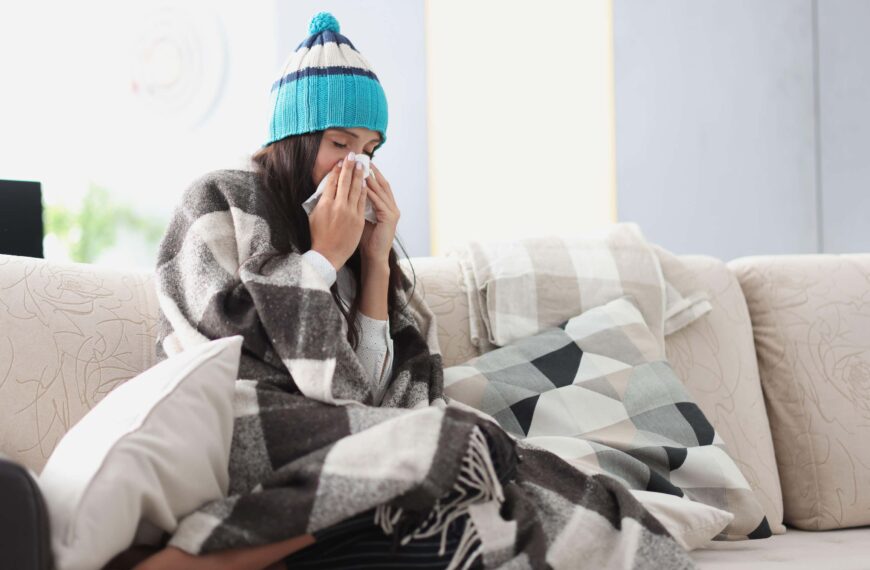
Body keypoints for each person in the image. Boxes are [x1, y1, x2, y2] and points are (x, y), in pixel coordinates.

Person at [129, 10, 479, 570]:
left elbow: (364, 392)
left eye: (371, 149)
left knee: (460, 447)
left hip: (342, 434)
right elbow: (220, 340)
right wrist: (318, 259)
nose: (357, 167)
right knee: (445, 445)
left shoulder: (360, 242)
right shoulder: (219, 199)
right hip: (241, 420)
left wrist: (372, 262)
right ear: (293, 139)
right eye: (340, 142)